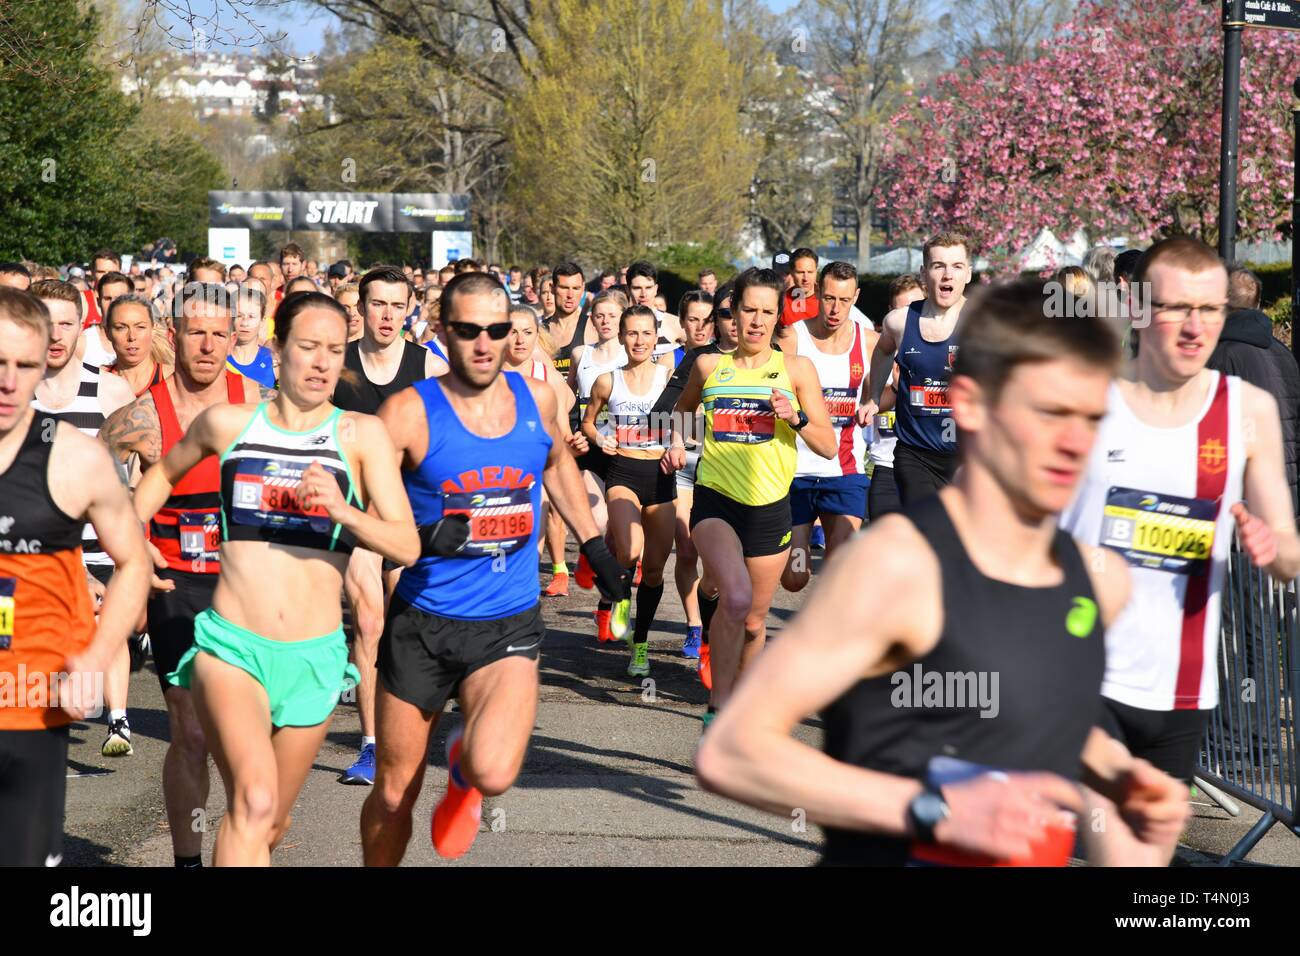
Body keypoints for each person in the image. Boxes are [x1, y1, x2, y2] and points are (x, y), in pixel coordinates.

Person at [696, 278, 1191, 868]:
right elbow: (733, 752)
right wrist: (934, 808)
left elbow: (1035, 712)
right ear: (973, 403)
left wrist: (1120, 790)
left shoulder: (1100, 581)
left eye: (1091, 417)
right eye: (1048, 411)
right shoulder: (898, 566)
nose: (1072, 442)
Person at [133, 291, 419, 865]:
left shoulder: (361, 437)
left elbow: (406, 544)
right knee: (256, 801)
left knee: (270, 823)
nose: (320, 362)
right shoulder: (228, 423)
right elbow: (160, 474)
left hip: (312, 659)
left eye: (334, 351)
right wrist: (134, 544)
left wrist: (344, 512)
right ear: (277, 348)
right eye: (308, 347)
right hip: (231, 646)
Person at [360, 272, 626, 863]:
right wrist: (424, 535)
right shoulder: (406, 414)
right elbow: (360, 507)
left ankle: (463, 775)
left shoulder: (536, 399)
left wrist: (593, 544)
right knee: (395, 793)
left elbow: (556, 461)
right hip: (422, 621)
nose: (484, 344)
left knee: (495, 770)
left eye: (497, 330)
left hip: (507, 620)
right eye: (468, 331)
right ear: (440, 333)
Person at [1060, 238, 1300, 784]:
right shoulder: (1084, 399)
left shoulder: (1247, 410)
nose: (1196, 328)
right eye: (1177, 309)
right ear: (1140, 308)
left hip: (1181, 694)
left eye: (1211, 310)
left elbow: (1288, 554)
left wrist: (1272, 547)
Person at [101, 280, 267, 867]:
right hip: (179, 588)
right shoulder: (144, 414)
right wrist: (134, 549)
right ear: (174, 335)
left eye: (221, 333)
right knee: (191, 732)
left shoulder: (262, 403)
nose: (209, 346)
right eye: (196, 332)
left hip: (251, 588)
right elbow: (91, 487)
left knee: (251, 740)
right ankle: (189, 859)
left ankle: (246, 841)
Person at [0, 286, 152, 867]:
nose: (11, 381)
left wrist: (96, 655)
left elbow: (133, 560)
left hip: (34, 699)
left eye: (25, 365)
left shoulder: (76, 458)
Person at [663, 268, 836, 725]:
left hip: (771, 508)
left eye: (766, 311)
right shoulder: (708, 366)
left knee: (755, 623)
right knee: (735, 600)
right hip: (716, 500)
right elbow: (681, 412)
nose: (756, 321)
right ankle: (717, 713)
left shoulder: (796, 370)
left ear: (778, 316)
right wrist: (679, 442)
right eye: (748, 310)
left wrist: (795, 416)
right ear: (733, 314)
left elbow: (828, 444)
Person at [331, 267, 444, 786]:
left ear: (410, 308)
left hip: (409, 518)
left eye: (398, 306)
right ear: (361, 306)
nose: (388, 315)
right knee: (370, 624)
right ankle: (371, 745)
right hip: (355, 518)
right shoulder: (338, 365)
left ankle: (411, 728)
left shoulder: (428, 366)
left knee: (407, 628)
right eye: (378, 304)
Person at [30, 279, 139, 756]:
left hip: (101, 538)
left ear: (83, 327)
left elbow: (136, 469)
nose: (56, 334)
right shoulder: (14, 390)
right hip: (32, 546)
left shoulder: (111, 389)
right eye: (46, 322)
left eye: (67, 323)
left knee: (109, 624)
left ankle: (119, 720)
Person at [582, 306, 676, 674]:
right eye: (632, 333)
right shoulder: (608, 380)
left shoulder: (669, 379)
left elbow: (686, 424)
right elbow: (589, 422)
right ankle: (619, 597)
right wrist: (599, 439)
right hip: (622, 470)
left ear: (656, 338)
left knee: (654, 571)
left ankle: (640, 644)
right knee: (630, 549)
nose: (639, 340)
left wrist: (679, 444)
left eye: (646, 333)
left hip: (661, 475)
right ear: (621, 337)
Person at [780, 262, 877, 592]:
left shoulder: (870, 343)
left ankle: (826, 635)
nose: (836, 309)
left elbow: (890, 389)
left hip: (845, 473)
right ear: (817, 292)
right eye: (830, 298)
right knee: (795, 576)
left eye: (845, 300)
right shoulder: (794, 338)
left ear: (856, 297)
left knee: (840, 565)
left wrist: (875, 400)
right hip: (797, 474)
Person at [858, 233, 973, 506]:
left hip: (969, 457)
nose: (948, 275)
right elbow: (884, 350)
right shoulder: (899, 322)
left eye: (957, 266)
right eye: (938, 266)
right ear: (924, 273)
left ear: (968, 274)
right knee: (929, 526)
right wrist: (874, 397)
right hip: (915, 454)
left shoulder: (984, 323)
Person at [1208, 267, 1299, 510]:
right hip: (1286, 493)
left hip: (1243, 498)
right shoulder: (1284, 353)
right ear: (1258, 302)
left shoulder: (1220, 355)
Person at [566, 290, 627, 616]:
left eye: (612, 315)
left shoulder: (632, 354)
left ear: (622, 318)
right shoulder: (581, 353)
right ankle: (589, 555)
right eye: (599, 315)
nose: (605, 321)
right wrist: (567, 433)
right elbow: (568, 397)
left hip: (623, 449)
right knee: (600, 520)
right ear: (592, 319)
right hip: (589, 445)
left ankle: (607, 605)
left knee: (621, 540)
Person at [867, 275, 924, 522]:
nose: (909, 317)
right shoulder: (881, 353)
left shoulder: (941, 353)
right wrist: (898, 388)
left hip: (927, 467)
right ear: (891, 313)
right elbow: (871, 403)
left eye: (915, 307)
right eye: (902, 309)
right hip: (886, 466)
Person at [104, 293, 171, 397]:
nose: (131, 337)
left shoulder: (173, 378)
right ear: (107, 332)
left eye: (140, 327)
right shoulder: (94, 380)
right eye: (121, 327)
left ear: (153, 329)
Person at [226, 287, 276, 389]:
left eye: (251, 316)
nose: (245, 323)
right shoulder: (218, 360)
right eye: (239, 316)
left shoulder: (273, 362)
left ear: (262, 321)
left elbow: (281, 400)